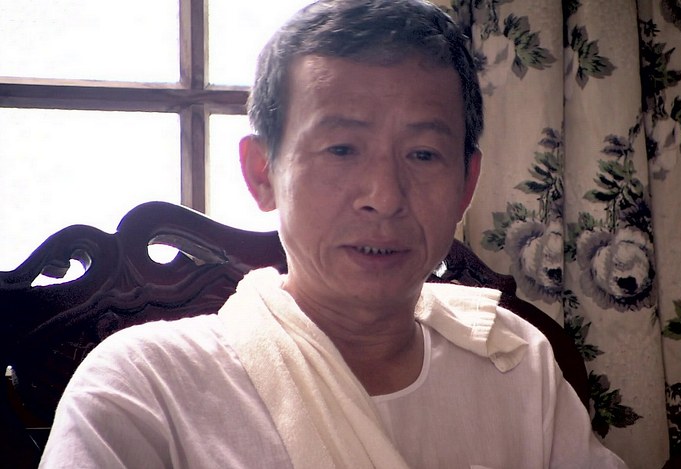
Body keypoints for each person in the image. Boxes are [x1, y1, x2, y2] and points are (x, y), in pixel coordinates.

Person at [40, 0, 627, 467]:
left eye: (423, 154)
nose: (385, 196)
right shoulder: (143, 389)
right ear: (262, 173)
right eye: (342, 149)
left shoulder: (516, 361)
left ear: (466, 184)